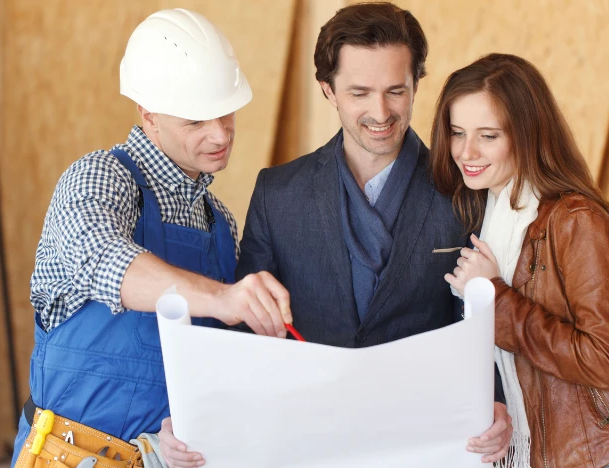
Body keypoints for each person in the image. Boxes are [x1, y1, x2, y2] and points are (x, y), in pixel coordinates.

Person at [160, 3, 512, 467]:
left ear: (416, 85)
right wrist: (192, 420)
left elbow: (480, 324)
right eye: (360, 92)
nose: (380, 112)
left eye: (395, 91)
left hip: (427, 441)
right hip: (304, 442)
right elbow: (247, 328)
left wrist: (500, 402)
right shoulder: (278, 192)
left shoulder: (462, 189)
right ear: (328, 90)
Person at [11, 9, 292, 468]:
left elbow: (205, 368)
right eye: (195, 121)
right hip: (69, 457)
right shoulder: (98, 178)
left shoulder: (220, 223)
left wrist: (182, 434)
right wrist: (223, 298)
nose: (220, 133)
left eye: (224, 112)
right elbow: (104, 259)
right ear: (148, 114)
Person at [439, 53, 609, 467]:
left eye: (488, 136)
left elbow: (607, 361)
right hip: (530, 451)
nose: (466, 151)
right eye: (457, 132)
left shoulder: (576, 222)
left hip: (600, 457)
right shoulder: (482, 218)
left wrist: (498, 299)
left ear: (526, 135)